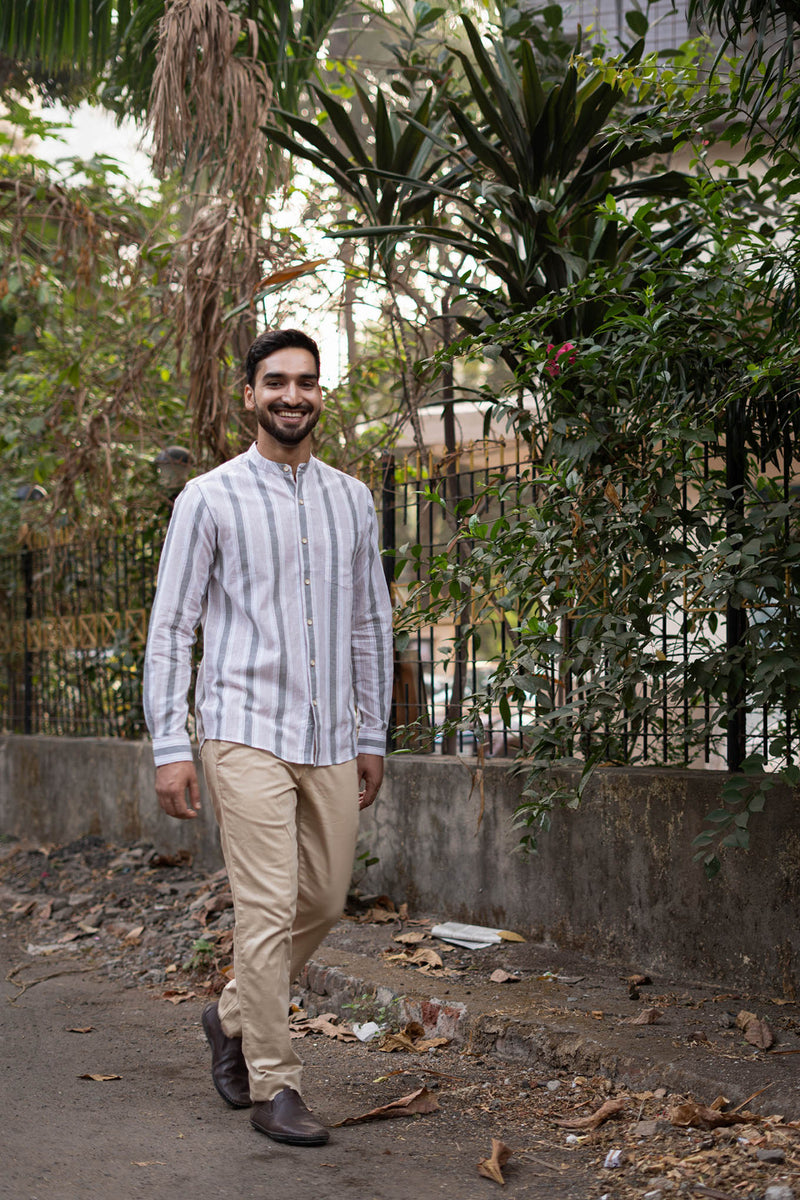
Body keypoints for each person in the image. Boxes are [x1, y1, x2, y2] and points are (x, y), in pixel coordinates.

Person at [143, 328, 393, 1146]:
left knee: (320, 900)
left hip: (329, 735)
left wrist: (372, 733)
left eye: (306, 382)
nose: (292, 395)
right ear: (248, 396)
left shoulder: (351, 499)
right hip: (243, 728)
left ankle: (228, 1019)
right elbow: (172, 626)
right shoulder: (208, 499)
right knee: (264, 907)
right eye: (276, 382)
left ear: (321, 394)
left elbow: (368, 624)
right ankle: (274, 1087)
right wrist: (171, 744)